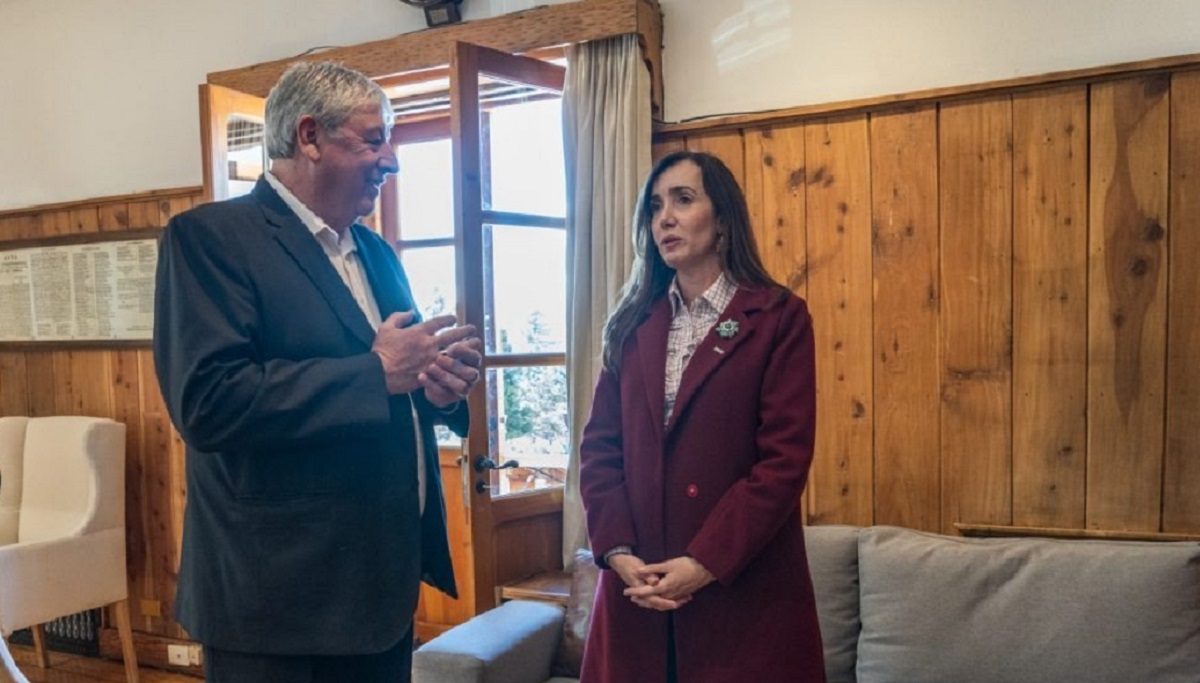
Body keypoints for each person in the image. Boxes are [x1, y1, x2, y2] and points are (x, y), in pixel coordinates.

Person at [153, 61, 482, 683]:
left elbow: (396, 378)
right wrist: (376, 371)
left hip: (380, 588)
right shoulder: (211, 239)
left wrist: (436, 388)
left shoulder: (376, 250)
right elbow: (208, 402)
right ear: (309, 137)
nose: (392, 161)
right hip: (276, 603)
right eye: (373, 139)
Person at [578, 151, 826, 683]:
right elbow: (600, 451)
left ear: (722, 220)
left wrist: (703, 563)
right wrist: (617, 552)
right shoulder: (630, 324)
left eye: (683, 200)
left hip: (741, 591)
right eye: (654, 206)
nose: (664, 217)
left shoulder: (778, 317)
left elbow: (783, 462)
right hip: (637, 592)